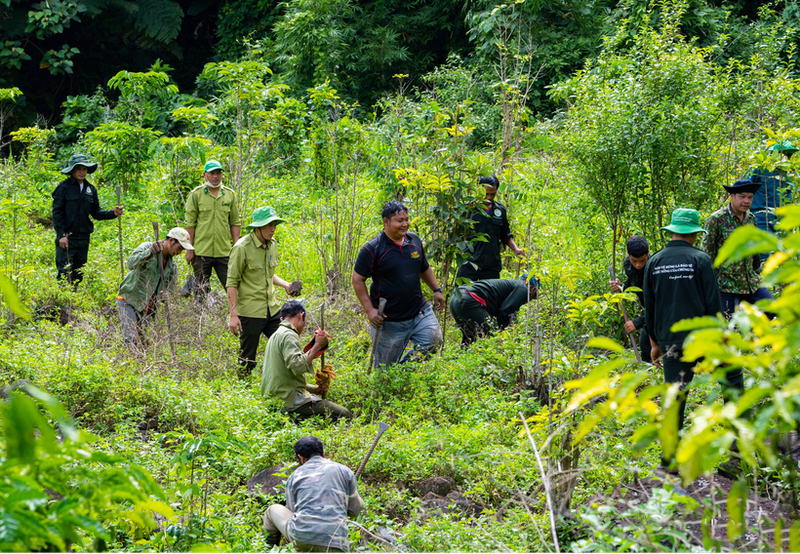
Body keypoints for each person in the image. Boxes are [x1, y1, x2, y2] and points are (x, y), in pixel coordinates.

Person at [643, 208, 740, 465]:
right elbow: (712, 303)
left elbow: (649, 308)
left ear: (672, 231)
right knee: (732, 377)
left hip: (671, 343)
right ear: (695, 234)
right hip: (703, 340)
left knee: (675, 395)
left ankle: (668, 460)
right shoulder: (701, 260)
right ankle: (736, 449)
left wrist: (655, 344)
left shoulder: (654, 262)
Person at [352, 201, 445, 368]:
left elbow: (424, 267)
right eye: (399, 220)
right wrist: (369, 310)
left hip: (419, 313)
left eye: (407, 219)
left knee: (434, 341)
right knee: (384, 372)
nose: (405, 224)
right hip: (389, 321)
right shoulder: (373, 249)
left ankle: (402, 372)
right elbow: (357, 279)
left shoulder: (414, 240)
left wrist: (436, 289)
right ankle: (394, 377)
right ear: (386, 222)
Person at [226, 206, 300, 377]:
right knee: (247, 358)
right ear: (257, 227)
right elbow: (231, 282)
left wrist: (286, 285)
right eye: (268, 225)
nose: (272, 229)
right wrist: (233, 314)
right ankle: (243, 391)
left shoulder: (272, 245)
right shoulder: (242, 247)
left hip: (272, 309)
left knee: (284, 343)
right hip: (250, 312)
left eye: (274, 224)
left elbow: (268, 274)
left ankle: (283, 384)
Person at [263, 436, 363, 553]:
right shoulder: (344, 471)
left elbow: (293, 512)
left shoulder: (295, 476)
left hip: (302, 539)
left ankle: (267, 551)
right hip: (338, 544)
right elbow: (356, 511)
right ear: (323, 454)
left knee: (271, 511)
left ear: (300, 458)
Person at [261, 301, 350, 421]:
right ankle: (297, 419)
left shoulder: (276, 335)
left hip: (275, 399)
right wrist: (317, 346)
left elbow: (287, 380)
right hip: (288, 402)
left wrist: (314, 389)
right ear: (300, 316)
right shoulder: (289, 335)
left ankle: (297, 419)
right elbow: (297, 366)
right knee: (343, 414)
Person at [701, 178, 773, 318]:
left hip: (751, 283)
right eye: (742, 197)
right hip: (727, 285)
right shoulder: (717, 219)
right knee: (728, 325)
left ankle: (751, 338)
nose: (746, 201)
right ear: (732, 196)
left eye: (750, 197)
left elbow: (754, 251)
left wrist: (757, 271)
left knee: (770, 310)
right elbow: (706, 254)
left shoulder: (750, 219)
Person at [52, 154, 124, 284]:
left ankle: (74, 300)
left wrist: (113, 213)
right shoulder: (63, 188)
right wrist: (61, 235)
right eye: (78, 168)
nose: (82, 172)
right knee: (64, 271)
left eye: (84, 169)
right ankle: (63, 301)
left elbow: (96, 212)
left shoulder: (90, 189)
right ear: (72, 170)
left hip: (83, 238)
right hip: (67, 237)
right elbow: (57, 213)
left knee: (78, 272)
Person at [116, 228, 194, 347]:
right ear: (171, 240)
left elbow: (170, 289)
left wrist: (166, 295)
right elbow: (131, 264)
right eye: (179, 248)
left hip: (148, 308)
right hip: (129, 299)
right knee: (131, 339)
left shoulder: (172, 267)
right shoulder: (147, 246)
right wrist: (149, 252)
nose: (179, 252)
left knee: (143, 344)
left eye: (182, 250)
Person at [184, 159, 241, 295]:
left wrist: (237, 245)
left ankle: (235, 314)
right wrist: (189, 248)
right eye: (212, 173)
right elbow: (190, 224)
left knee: (232, 286)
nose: (215, 177)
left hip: (224, 251)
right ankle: (200, 316)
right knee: (200, 290)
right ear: (204, 175)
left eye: (218, 173)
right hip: (201, 251)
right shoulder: (196, 195)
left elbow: (234, 222)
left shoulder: (229, 194)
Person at [456, 174, 524, 281]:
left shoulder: (500, 210)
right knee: (463, 295)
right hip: (469, 264)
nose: (488, 198)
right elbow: (456, 234)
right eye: (486, 194)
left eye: (492, 194)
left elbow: (505, 234)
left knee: (490, 297)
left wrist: (515, 249)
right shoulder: (467, 209)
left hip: (491, 266)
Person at [449, 275, 539, 346]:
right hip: (469, 300)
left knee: (469, 340)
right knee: (494, 338)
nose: (530, 301)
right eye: (533, 296)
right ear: (532, 289)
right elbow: (505, 311)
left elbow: (508, 310)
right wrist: (506, 334)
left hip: (456, 299)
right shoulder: (523, 289)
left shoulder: (512, 285)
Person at [609, 236, 652, 362]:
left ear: (648, 254)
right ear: (629, 255)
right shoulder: (628, 264)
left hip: (659, 311)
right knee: (645, 345)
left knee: (647, 339)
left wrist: (637, 322)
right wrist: (620, 287)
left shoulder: (654, 267)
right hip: (648, 310)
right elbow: (634, 283)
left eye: (642, 261)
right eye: (634, 261)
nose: (638, 265)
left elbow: (657, 302)